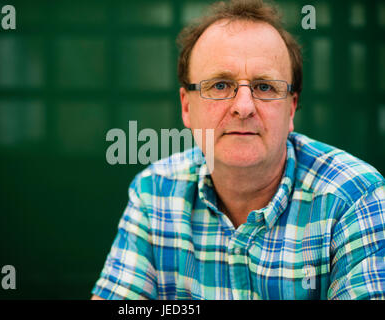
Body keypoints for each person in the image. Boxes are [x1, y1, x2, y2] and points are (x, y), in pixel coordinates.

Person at [91, 0, 385, 299]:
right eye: (219, 85)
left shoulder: (355, 198)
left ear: (291, 109)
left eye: (265, 87)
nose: (243, 107)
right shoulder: (154, 192)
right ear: (186, 107)